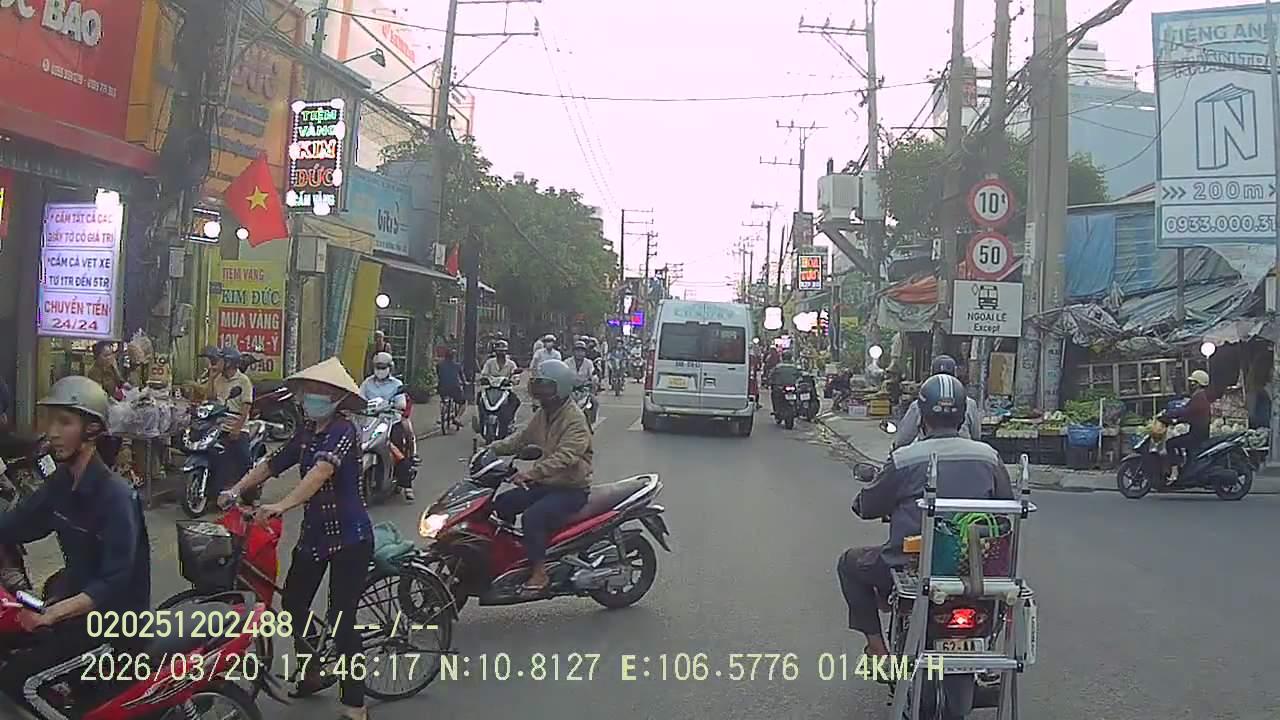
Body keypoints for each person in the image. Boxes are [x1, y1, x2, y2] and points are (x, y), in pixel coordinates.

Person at [219, 358, 373, 720]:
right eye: (309, 390)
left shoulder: (343, 430)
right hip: (315, 536)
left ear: (337, 398)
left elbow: (320, 473)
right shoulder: (306, 431)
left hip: (350, 538)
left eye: (321, 391)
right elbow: (273, 463)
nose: (312, 397)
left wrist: (281, 505)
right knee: (293, 604)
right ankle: (313, 669)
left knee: (341, 618)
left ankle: (356, 703)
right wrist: (236, 489)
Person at [836, 373, 1013, 660]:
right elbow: (1005, 510)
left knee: (849, 563)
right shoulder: (989, 456)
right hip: (978, 565)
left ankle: (878, 651)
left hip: (911, 564)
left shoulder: (906, 458)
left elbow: (867, 507)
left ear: (922, 416)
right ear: (963, 416)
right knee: (999, 597)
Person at [0, 376, 150, 713]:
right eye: (50, 421)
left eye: (64, 422)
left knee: (17, 680)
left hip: (113, 627)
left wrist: (51, 615)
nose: (52, 432)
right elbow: (18, 524)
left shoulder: (115, 497)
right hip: (74, 611)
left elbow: (113, 582)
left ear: (92, 430)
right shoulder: (62, 483)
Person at [488, 359, 592, 594]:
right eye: (538, 387)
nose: (541, 393)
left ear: (560, 388)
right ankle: (511, 555)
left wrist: (531, 474)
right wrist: (491, 450)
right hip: (546, 483)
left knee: (533, 517)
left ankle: (540, 572)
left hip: (571, 488)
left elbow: (566, 457)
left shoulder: (575, 420)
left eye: (546, 388)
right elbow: (521, 438)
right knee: (502, 503)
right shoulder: (544, 413)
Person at [360, 352, 419, 502]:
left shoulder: (396, 384)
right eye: (378, 367)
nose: (380, 370)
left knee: (397, 449)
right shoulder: (367, 383)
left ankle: (407, 484)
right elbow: (360, 399)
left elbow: (401, 403)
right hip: (369, 421)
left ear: (390, 367)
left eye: (383, 367)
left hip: (391, 422)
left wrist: (395, 405)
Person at [892, 355, 983, 447]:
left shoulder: (920, 403)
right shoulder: (969, 403)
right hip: (963, 451)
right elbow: (976, 436)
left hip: (927, 452)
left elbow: (903, 439)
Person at [207, 345, 254, 500]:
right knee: (215, 458)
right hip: (219, 426)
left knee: (244, 461)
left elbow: (246, 407)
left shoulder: (243, 381)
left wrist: (237, 429)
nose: (216, 363)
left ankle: (250, 493)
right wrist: (211, 378)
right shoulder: (218, 379)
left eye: (220, 360)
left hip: (237, 427)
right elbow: (210, 399)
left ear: (228, 363)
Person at [1166, 369, 1217, 474]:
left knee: (1170, 444)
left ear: (1198, 384)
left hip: (1197, 435)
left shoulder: (1199, 397)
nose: (1190, 384)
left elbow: (1186, 411)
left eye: (1192, 382)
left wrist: (1170, 414)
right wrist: (1177, 420)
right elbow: (1190, 414)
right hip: (1198, 432)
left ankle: (1175, 471)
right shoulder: (1199, 396)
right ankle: (1183, 467)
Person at [86, 341, 126, 467]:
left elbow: (120, 382)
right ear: (97, 357)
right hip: (101, 411)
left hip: (114, 410)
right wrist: (112, 396)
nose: (109, 358)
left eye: (111, 354)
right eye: (106, 355)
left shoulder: (111, 368)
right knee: (107, 443)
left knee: (118, 438)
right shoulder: (94, 373)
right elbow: (98, 394)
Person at [436, 349, 466, 428]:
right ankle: (457, 418)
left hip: (442, 388)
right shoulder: (457, 365)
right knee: (463, 403)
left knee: (444, 401)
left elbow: (439, 374)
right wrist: (464, 383)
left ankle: (442, 414)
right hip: (455, 388)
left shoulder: (439, 365)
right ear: (454, 357)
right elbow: (462, 378)